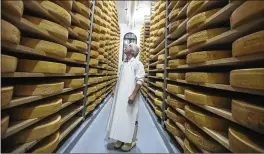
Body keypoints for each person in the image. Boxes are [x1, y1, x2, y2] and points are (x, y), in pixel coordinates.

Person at [106, 43, 145, 152]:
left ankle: (130, 141)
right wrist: (115, 89)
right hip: (120, 95)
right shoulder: (123, 64)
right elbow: (119, 78)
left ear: (132, 51)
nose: (126, 46)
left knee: (130, 117)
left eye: (129, 46)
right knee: (120, 116)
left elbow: (140, 80)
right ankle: (120, 138)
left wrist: (133, 94)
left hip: (130, 95)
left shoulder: (138, 64)